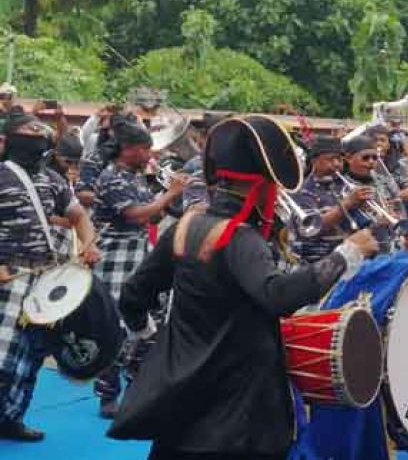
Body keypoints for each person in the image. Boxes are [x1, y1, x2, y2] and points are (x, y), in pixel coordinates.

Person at [108, 115, 379, 459]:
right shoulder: (240, 237)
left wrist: (150, 339)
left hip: (179, 401)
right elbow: (278, 295)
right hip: (237, 414)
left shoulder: (185, 226)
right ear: (260, 186)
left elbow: (133, 296)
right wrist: (348, 253)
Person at [0, 113, 99, 442]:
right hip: (7, 274)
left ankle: (11, 418)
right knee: (3, 355)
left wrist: (88, 244)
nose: (35, 136)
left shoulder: (52, 180)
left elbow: (79, 216)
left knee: (31, 353)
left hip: (44, 275)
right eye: (28, 131)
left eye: (38, 131)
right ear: (8, 139)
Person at [91, 122, 188, 418]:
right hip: (115, 255)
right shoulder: (111, 177)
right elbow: (133, 214)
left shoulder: (136, 178)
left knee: (146, 323)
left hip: (138, 251)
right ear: (127, 149)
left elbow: (154, 217)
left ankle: (137, 390)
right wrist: (170, 193)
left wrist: (166, 199)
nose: (149, 154)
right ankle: (108, 395)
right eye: (144, 149)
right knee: (118, 324)